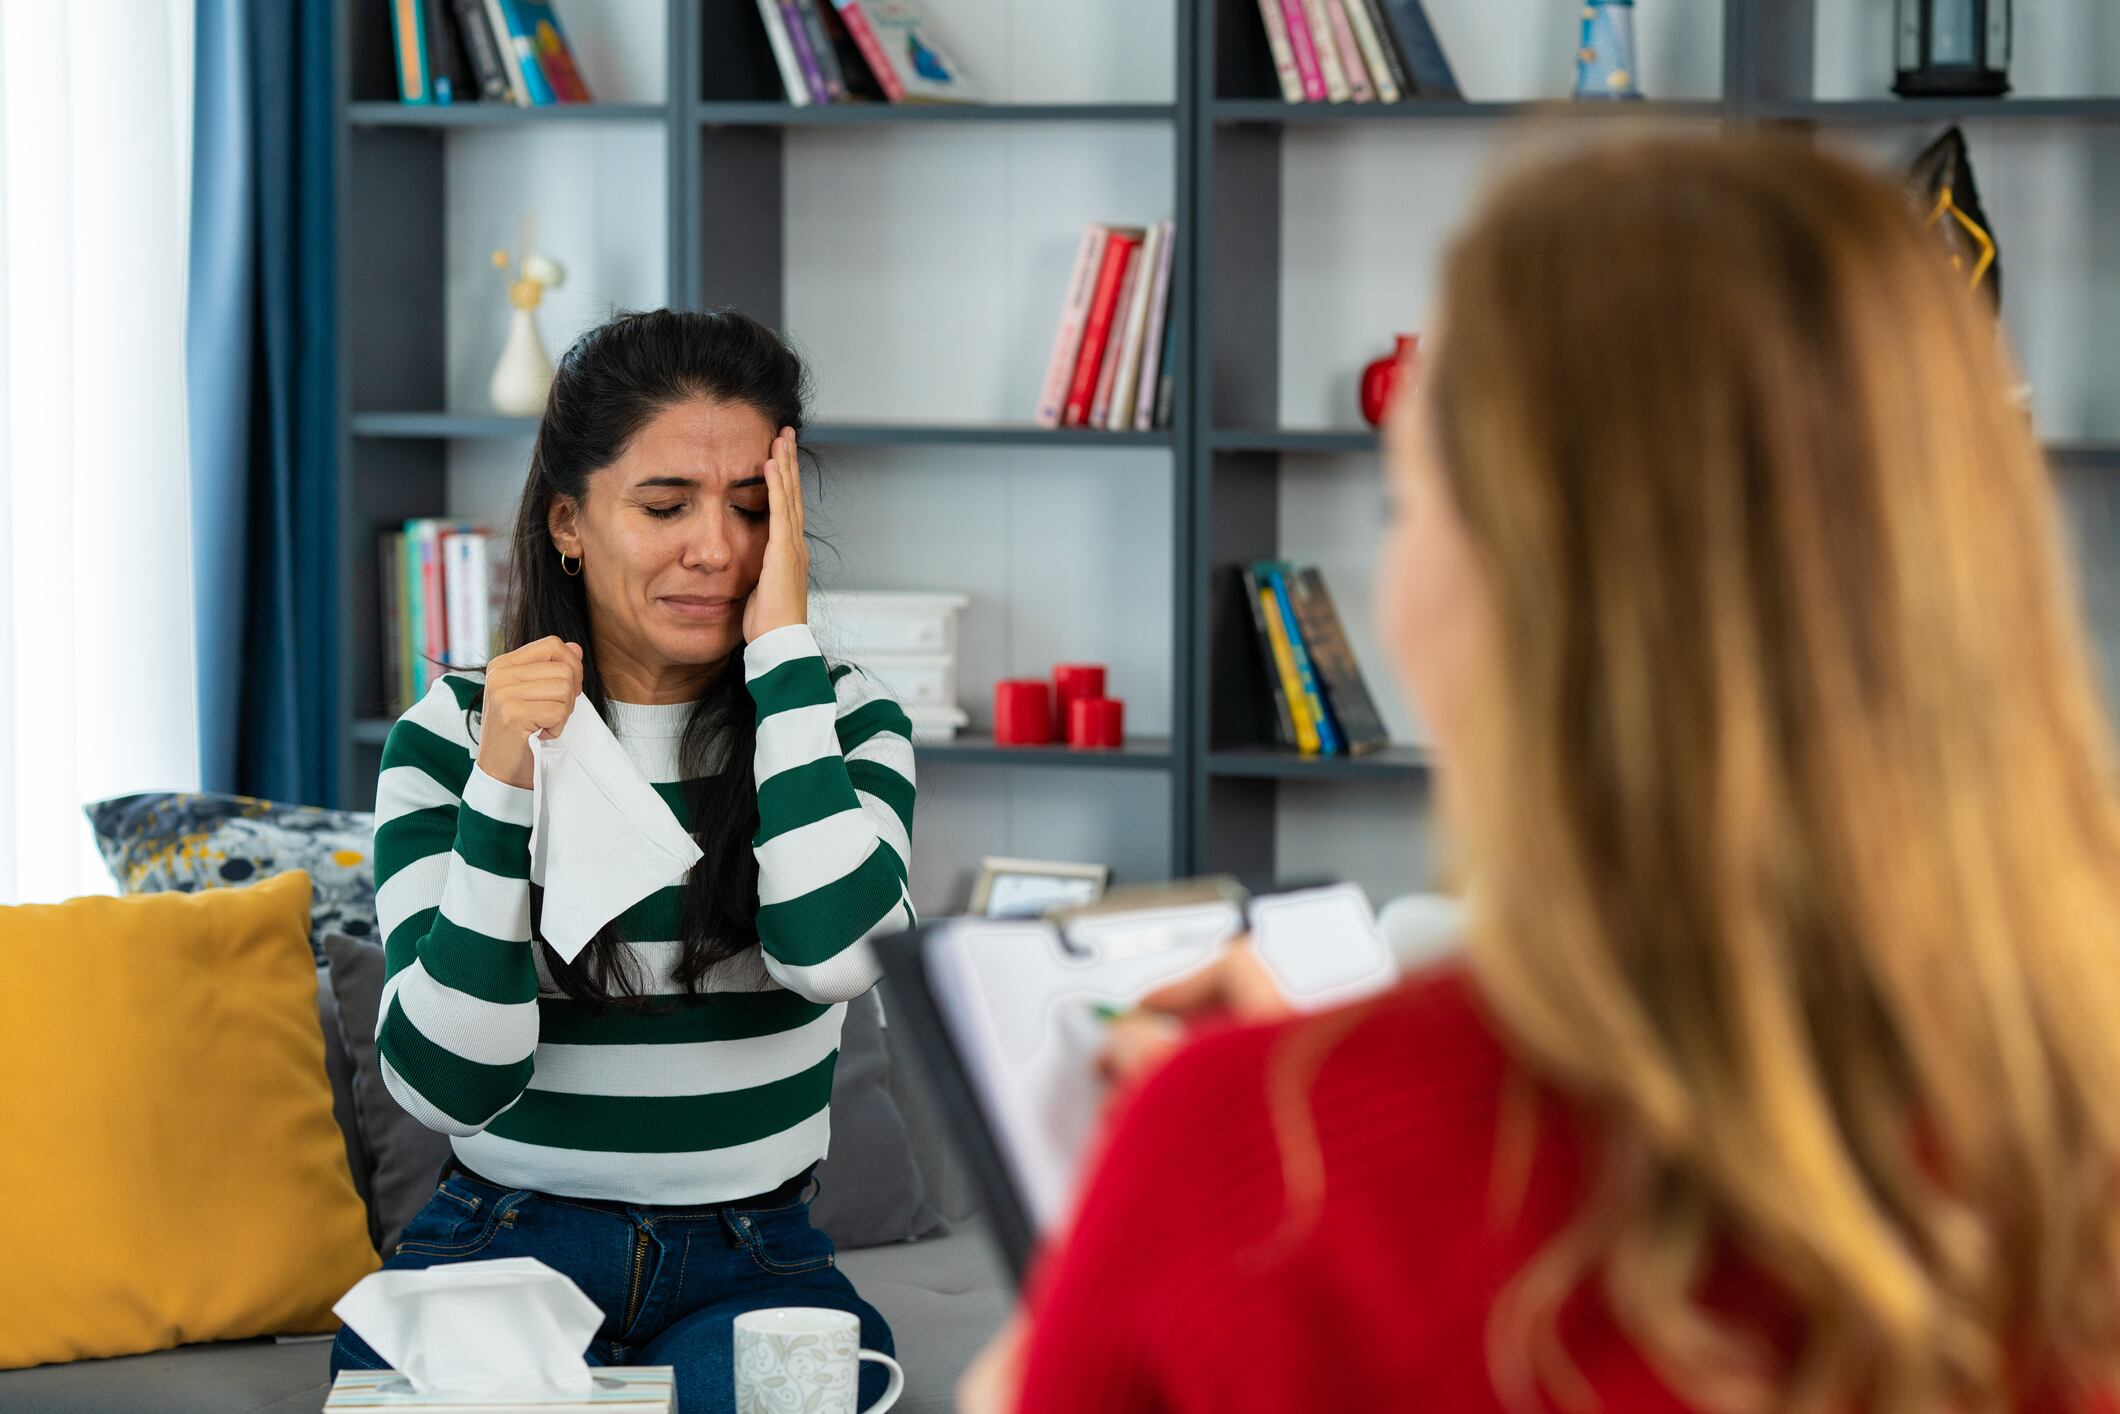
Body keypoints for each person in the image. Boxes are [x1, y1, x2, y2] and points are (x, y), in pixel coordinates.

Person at [965, 134, 2120, 1412]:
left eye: (1405, 502)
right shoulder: (2070, 1101)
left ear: (1520, 584)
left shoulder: (1238, 1163)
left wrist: (1271, 1128)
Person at [330, 309, 915, 1414]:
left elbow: (833, 953)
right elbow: (449, 1080)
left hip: (754, 1253)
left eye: (754, 510)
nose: (717, 549)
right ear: (568, 520)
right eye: (665, 506)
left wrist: (782, 652)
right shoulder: (448, 736)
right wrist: (503, 778)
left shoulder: (842, 721)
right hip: (503, 1244)